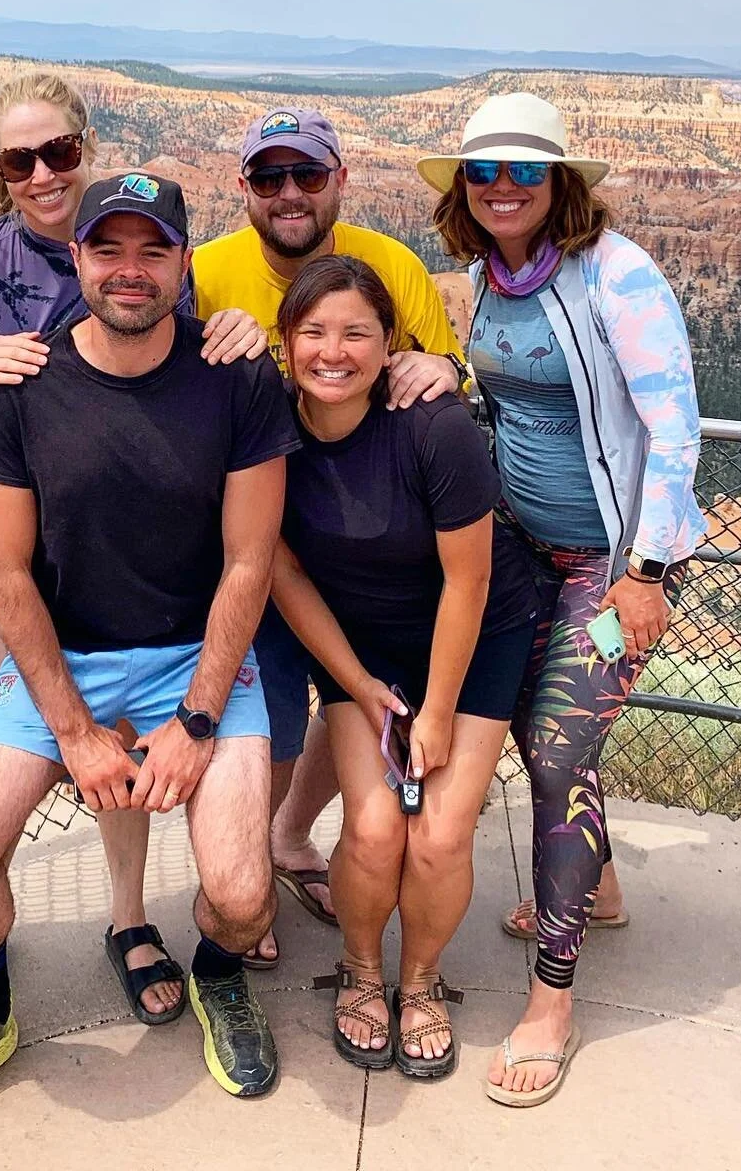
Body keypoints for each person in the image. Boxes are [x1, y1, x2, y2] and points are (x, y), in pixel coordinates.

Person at [0, 173, 298, 1133]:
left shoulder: (234, 374)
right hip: (63, 661)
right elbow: (4, 574)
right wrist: (75, 730)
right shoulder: (26, 390)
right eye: (107, 249)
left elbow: (249, 564)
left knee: (244, 897)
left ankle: (221, 973)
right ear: (75, 259)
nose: (129, 270)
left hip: (195, 657)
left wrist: (198, 721)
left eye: (152, 250)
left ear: (183, 265)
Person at [0, 73, 265, 1023]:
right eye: (18, 159)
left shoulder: (139, 243)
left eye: (59, 153)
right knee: (46, 721)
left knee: (127, 735)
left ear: (84, 145)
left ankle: (125, 915)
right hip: (9, 528)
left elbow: (189, 349)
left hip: (143, 525)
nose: (41, 172)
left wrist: (241, 327)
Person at [419, 91, 707, 1106]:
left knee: (552, 752)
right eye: (484, 171)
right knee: (555, 744)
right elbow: (495, 396)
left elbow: (674, 432)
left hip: (609, 561)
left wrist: (646, 572)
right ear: (464, 188)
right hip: (519, 549)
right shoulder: (485, 278)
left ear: (560, 183)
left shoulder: (616, 276)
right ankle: (603, 887)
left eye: (524, 170)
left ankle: (551, 999)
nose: (503, 187)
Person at [191, 106, 468, 966]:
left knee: (346, 698)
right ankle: (243, 883)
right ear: (244, 190)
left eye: (308, 175)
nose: (290, 194)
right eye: (269, 178)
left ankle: (283, 841)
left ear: (339, 181)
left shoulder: (391, 267)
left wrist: (445, 366)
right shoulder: (203, 273)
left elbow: (439, 369)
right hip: (254, 550)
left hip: (362, 552)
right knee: (271, 715)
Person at [270, 256, 539, 1076]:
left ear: (390, 343)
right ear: (287, 343)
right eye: (313, 331)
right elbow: (280, 570)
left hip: (476, 636)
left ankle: (420, 980)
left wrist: (435, 713)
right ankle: (360, 969)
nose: (333, 351)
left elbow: (471, 578)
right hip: (365, 645)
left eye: (357, 332)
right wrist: (354, 683)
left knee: (440, 837)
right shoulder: (272, 430)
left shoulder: (434, 425)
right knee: (377, 826)